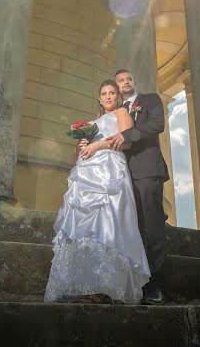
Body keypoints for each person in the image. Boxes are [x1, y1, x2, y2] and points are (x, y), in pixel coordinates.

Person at [44, 80, 150, 304]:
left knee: (109, 223)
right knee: (86, 227)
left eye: (112, 93)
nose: (109, 96)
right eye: (104, 93)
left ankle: (107, 287)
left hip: (110, 170)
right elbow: (82, 151)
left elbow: (126, 141)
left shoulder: (122, 112)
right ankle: (84, 284)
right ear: (99, 99)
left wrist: (97, 146)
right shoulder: (92, 123)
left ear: (117, 97)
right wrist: (82, 145)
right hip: (88, 172)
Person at [106, 69, 169, 305]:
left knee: (153, 228)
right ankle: (138, 283)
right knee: (135, 229)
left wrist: (128, 135)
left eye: (129, 78)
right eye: (121, 80)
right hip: (124, 174)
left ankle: (157, 286)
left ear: (134, 82)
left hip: (148, 170)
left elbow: (157, 124)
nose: (125, 82)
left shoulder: (150, 99)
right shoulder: (117, 112)